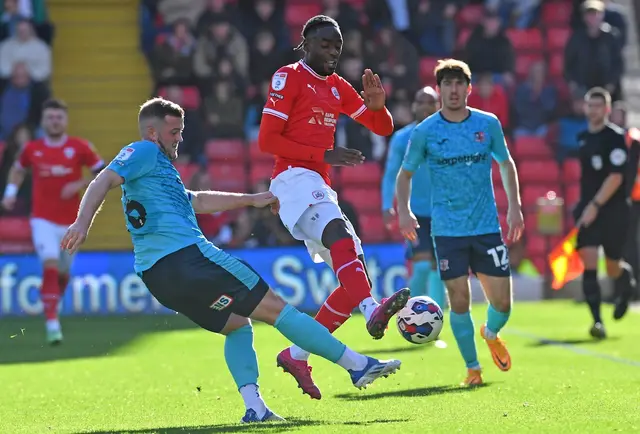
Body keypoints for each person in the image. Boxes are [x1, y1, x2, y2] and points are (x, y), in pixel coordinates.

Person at [60, 97, 401, 423]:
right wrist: (81, 222)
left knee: (237, 325)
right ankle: (356, 365)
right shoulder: (144, 151)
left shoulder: (157, 169)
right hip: (189, 257)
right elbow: (103, 179)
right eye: (173, 132)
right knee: (277, 308)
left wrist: (251, 199)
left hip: (158, 277)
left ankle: (255, 407)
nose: (179, 138)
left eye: (180, 131)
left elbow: (197, 201)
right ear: (152, 132)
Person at [257, 15, 410, 400]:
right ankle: (371, 309)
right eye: (325, 44)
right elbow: (267, 140)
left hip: (317, 184)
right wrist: (323, 153)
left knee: (351, 277)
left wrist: (379, 106)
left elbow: (382, 128)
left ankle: (297, 354)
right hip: (292, 178)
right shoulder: (288, 77)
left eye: (337, 47)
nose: (332, 52)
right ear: (306, 43)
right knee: (341, 238)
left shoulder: (338, 86)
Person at [396, 59, 524, 386]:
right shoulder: (425, 131)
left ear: (468, 89)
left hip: (486, 227)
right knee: (460, 301)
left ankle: (491, 332)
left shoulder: (488, 124)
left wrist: (515, 207)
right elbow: (405, 173)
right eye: (446, 84)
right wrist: (404, 211)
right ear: (439, 90)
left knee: (503, 304)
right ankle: (473, 368)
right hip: (448, 230)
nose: (453, 90)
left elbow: (506, 164)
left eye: (458, 84)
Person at [1, 99, 104, 345]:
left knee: (62, 271)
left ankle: (51, 307)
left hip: (72, 223)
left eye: (58, 117)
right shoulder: (32, 149)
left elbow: (102, 173)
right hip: (42, 220)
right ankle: (52, 323)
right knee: (49, 262)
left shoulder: (80, 147)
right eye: (50, 117)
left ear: (65, 121)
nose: (55, 121)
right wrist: (10, 194)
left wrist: (78, 184)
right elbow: (17, 169)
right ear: (44, 121)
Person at [572, 87, 636, 339]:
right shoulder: (582, 137)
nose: (594, 110)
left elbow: (617, 177)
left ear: (607, 109)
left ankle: (625, 279)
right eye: (590, 105)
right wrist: (586, 206)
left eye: (599, 105)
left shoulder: (616, 138)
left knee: (611, 267)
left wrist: (595, 206)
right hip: (589, 208)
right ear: (585, 107)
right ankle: (597, 321)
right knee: (588, 260)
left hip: (614, 210)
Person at [381, 86, 446, 308]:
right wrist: (386, 205)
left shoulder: (448, 135)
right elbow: (391, 174)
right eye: (422, 102)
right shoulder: (402, 138)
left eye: (431, 102)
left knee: (439, 269)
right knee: (421, 267)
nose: (426, 107)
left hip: (442, 212)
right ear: (414, 106)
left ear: (439, 106)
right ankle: (408, 312)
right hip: (415, 213)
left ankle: (436, 322)